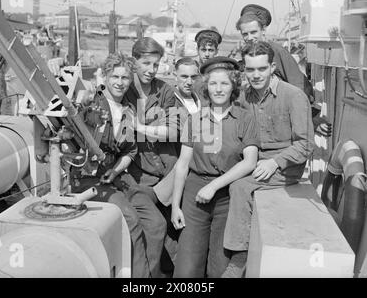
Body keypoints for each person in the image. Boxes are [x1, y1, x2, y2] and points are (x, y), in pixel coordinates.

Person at [222, 41, 315, 278]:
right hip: (254, 158)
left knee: (240, 186)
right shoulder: (244, 97)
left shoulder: (293, 96)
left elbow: (306, 145)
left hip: (285, 166)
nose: (256, 75)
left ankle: (238, 257)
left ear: (272, 67)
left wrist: (275, 162)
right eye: (250, 70)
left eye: (261, 69)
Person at [72, 52, 166, 278]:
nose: (120, 83)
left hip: (115, 176)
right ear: (104, 76)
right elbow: (71, 113)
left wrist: (115, 171)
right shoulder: (90, 102)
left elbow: (130, 151)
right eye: (115, 76)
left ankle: (149, 276)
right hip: (89, 178)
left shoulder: (128, 111)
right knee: (131, 220)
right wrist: (81, 98)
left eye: (125, 78)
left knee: (156, 224)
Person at [171, 57, 260, 278]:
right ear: (206, 86)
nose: (218, 89)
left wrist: (214, 186)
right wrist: (175, 206)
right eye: (213, 84)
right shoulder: (194, 119)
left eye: (224, 84)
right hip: (195, 194)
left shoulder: (245, 118)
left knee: (220, 266)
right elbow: (182, 164)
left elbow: (250, 161)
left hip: (227, 196)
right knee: (187, 266)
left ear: (234, 87)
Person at [124, 37, 179, 276]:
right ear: (133, 60)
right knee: (150, 228)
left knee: (173, 238)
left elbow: (175, 130)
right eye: (146, 63)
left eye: (156, 65)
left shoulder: (165, 90)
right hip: (138, 176)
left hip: (168, 173)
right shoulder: (123, 89)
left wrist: (140, 127)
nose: (151, 70)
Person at [236, 4, 332, 137]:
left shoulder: (276, 51)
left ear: (263, 30)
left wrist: (311, 117)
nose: (250, 37)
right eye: (245, 34)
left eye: (253, 32)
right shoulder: (246, 54)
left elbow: (298, 84)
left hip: (279, 117)